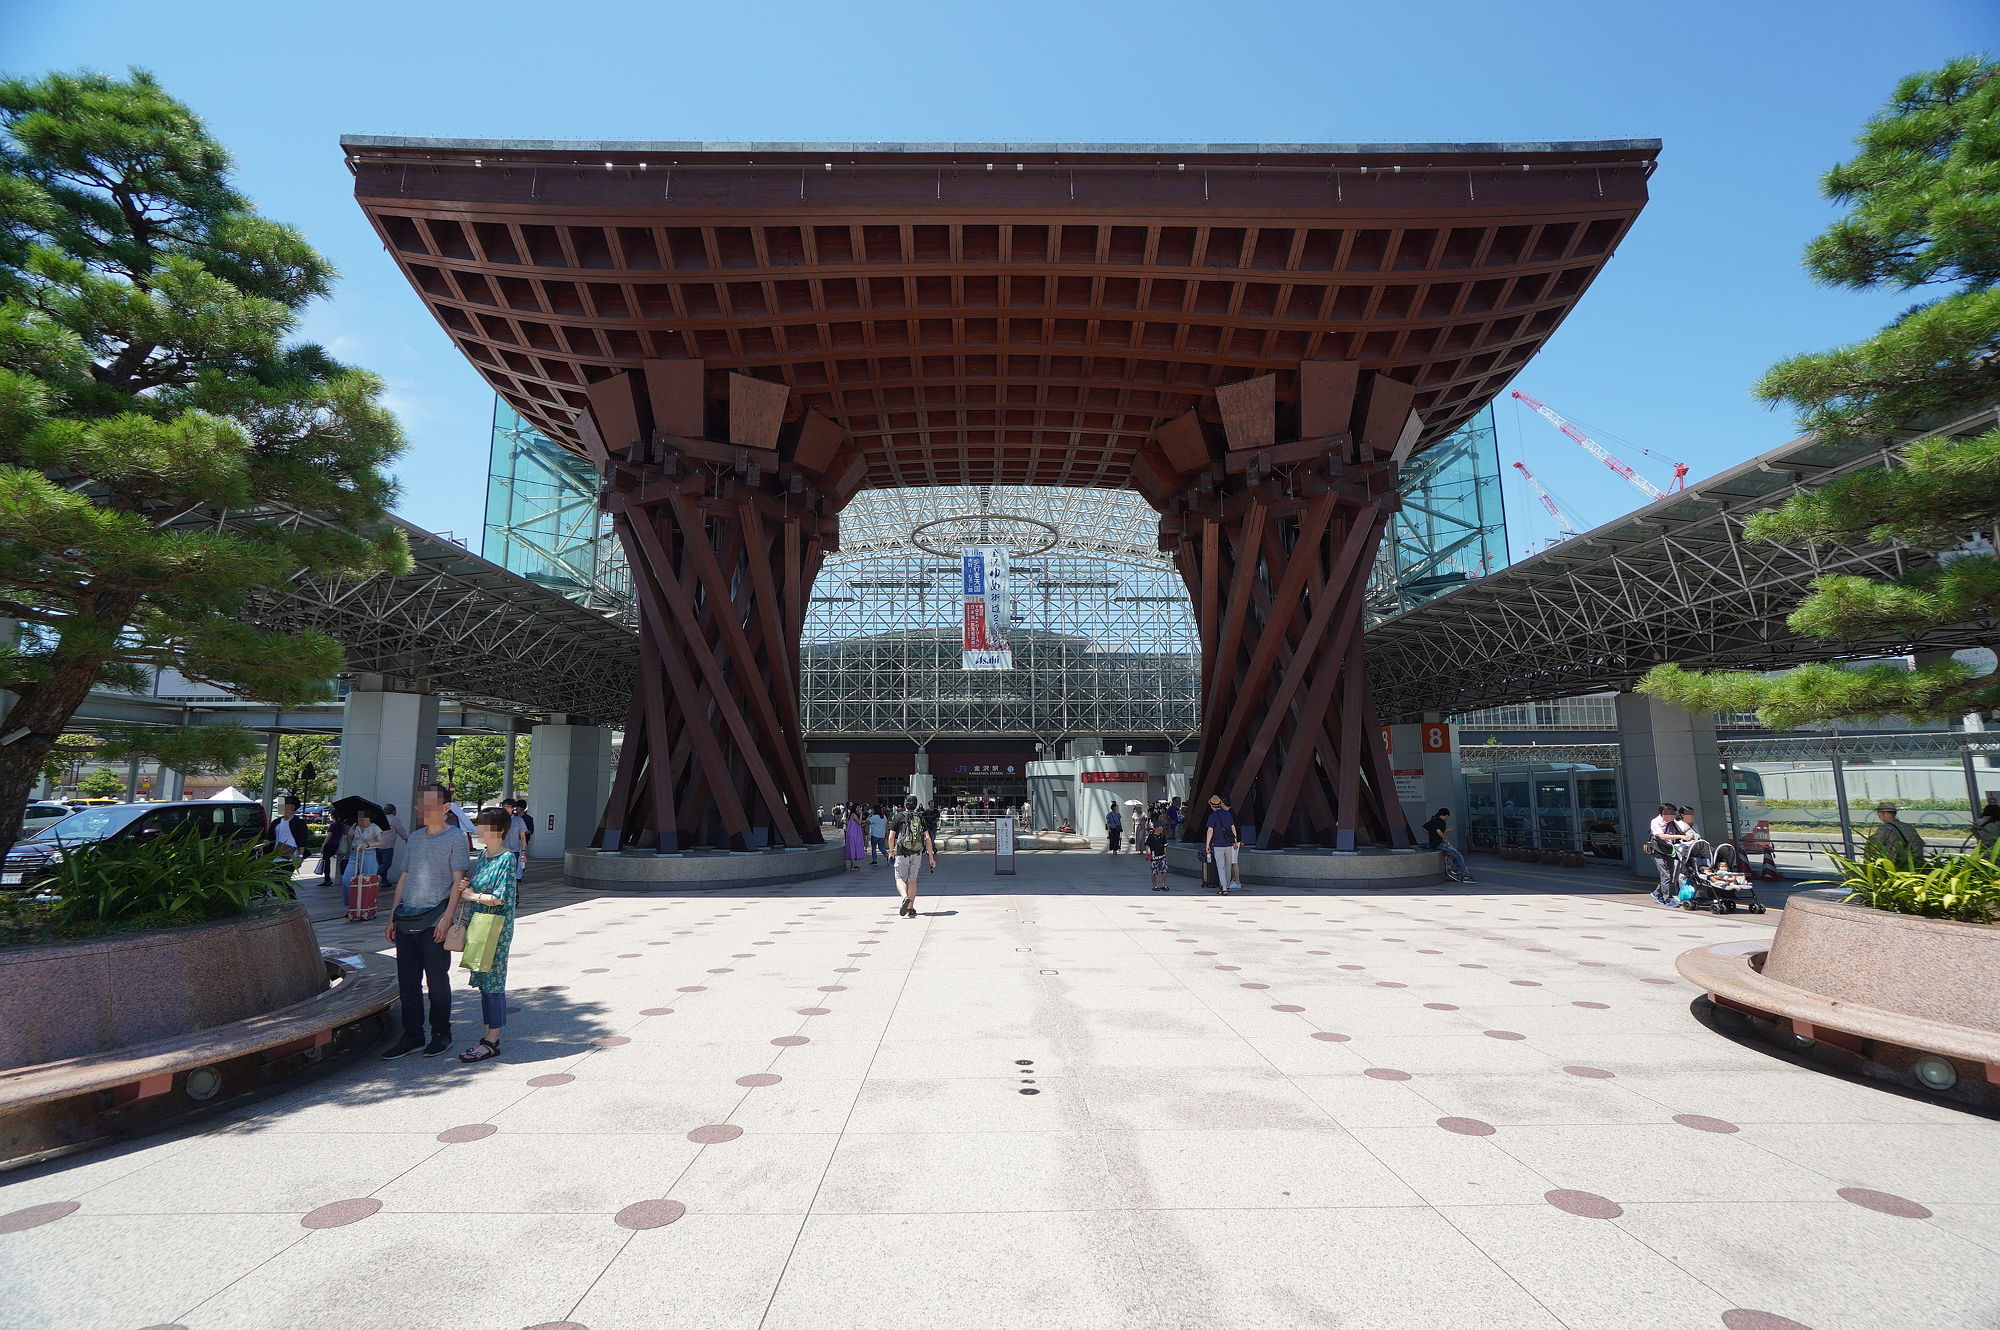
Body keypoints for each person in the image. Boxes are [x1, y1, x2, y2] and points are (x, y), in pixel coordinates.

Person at [381, 784, 473, 1060]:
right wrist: (392, 915)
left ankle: (441, 1034)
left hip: (435, 920)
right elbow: (405, 877)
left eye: (431, 804)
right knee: (407, 982)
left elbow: (458, 882)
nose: (424, 809)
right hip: (407, 918)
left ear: (446, 808)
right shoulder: (416, 838)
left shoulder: (456, 838)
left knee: (437, 981)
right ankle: (412, 1035)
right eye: (421, 804)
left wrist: (447, 918)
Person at [457, 808, 519, 1064]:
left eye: (484, 826)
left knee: (493, 983)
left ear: (500, 830)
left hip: (495, 928)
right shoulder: (484, 855)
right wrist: (468, 886)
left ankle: (491, 1041)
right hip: (479, 924)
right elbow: (480, 886)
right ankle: (487, 1036)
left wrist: (472, 896)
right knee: (484, 982)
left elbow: (500, 897)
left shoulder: (506, 858)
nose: (479, 830)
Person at [887, 795, 936, 917]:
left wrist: (891, 852)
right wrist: (931, 857)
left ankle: (904, 897)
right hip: (917, 852)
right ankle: (911, 908)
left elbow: (891, 837)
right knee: (912, 880)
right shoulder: (920, 817)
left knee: (899, 878)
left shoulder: (898, 817)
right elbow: (928, 839)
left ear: (905, 804)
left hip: (902, 852)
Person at [1647, 803, 1687, 906]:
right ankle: (1667, 899)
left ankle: (1656, 893)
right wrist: (1679, 836)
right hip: (1658, 850)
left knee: (1670, 875)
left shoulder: (1672, 822)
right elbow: (1661, 836)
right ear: (1663, 813)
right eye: (1671, 813)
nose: (1673, 815)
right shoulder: (1655, 822)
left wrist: (1687, 836)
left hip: (1670, 850)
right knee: (1666, 875)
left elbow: (1681, 831)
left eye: (1673, 813)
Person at [1422, 807, 1473, 882]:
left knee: (1455, 854)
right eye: (1447, 817)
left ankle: (1456, 871)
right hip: (1440, 844)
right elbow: (1439, 831)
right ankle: (1465, 875)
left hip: (1433, 843)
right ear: (1446, 816)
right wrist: (1445, 839)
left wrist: (1429, 835)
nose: (1447, 818)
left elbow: (1424, 827)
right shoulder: (1441, 822)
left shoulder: (1433, 820)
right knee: (1458, 855)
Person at [1205, 795, 1242, 893]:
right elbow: (1233, 828)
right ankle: (1228, 885)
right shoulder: (1227, 814)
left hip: (1218, 844)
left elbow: (1210, 831)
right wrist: (1235, 841)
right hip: (1229, 844)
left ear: (1212, 806)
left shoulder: (1212, 816)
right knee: (1228, 865)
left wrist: (1207, 845)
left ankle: (1224, 887)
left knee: (1220, 866)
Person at [1870, 801, 1927, 865]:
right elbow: (1919, 845)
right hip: (1914, 865)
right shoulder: (1908, 827)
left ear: (1884, 813)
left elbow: (1873, 846)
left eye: (1878, 813)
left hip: (1896, 866)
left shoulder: (1885, 828)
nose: (1877, 815)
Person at [343, 808, 385, 894]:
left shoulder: (374, 827)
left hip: (368, 854)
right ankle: (350, 902)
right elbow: (350, 839)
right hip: (355, 854)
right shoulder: (355, 826)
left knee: (368, 880)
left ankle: (367, 903)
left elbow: (381, 842)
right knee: (346, 880)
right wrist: (350, 835)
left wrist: (368, 845)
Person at [378, 801, 407, 883]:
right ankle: (374, 875)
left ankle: (384, 881)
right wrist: (406, 839)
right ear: (393, 811)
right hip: (387, 846)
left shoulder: (380, 818)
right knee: (386, 864)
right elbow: (401, 830)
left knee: (381, 864)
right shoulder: (394, 819)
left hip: (377, 845)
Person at [1144, 814, 1170, 891]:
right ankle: (1154, 885)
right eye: (1159, 827)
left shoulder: (1163, 836)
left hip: (1162, 856)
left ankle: (1163, 884)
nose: (1161, 829)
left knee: (1165, 870)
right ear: (1155, 828)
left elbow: (1165, 846)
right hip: (1154, 856)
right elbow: (1147, 845)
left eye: (1161, 827)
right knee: (1154, 872)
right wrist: (1147, 853)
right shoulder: (1151, 836)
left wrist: (1165, 856)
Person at [921, 799, 943, 871]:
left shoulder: (936, 811)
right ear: (929, 804)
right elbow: (922, 818)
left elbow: (938, 818)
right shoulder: (926, 812)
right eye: (931, 804)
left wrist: (934, 821)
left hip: (934, 827)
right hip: (928, 827)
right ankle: (932, 849)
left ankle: (927, 848)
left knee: (932, 838)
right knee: (931, 838)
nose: (932, 805)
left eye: (933, 803)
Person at [843, 806, 866, 871]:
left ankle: (853, 864)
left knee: (853, 848)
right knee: (852, 848)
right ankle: (853, 866)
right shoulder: (853, 814)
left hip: (853, 833)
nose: (859, 809)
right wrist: (861, 814)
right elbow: (859, 822)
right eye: (857, 808)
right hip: (853, 834)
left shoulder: (853, 815)